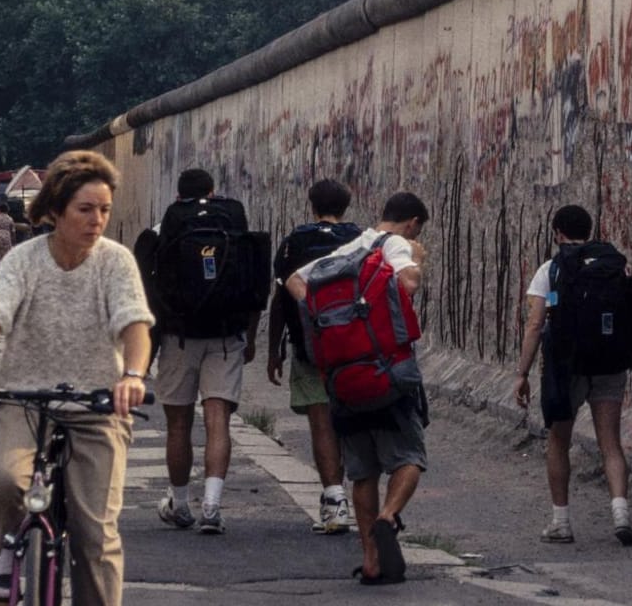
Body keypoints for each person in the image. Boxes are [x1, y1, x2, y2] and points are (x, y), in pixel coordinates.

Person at [0, 149, 153, 606]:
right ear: (55, 210)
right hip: (25, 399)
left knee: (95, 536)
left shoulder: (116, 262)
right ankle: (9, 548)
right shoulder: (23, 261)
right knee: (3, 480)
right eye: (85, 209)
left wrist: (133, 376)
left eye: (104, 210)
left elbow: (135, 325)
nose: (97, 219)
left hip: (98, 405)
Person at [285, 191, 430, 586]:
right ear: (413, 222)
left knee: (363, 474)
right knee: (409, 458)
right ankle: (388, 517)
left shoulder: (350, 248)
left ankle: (371, 560)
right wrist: (416, 257)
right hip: (387, 373)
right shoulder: (397, 244)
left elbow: (295, 281)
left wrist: (332, 323)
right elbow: (410, 283)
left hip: (343, 379)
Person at [513, 204, 632, 546]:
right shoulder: (613, 264)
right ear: (589, 229)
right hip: (610, 362)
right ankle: (621, 514)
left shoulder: (550, 269)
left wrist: (522, 373)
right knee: (610, 442)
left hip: (566, 366)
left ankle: (561, 522)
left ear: (557, 233)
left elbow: (535, 324)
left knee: (558, 441)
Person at [147, 168, 259, 535]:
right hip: (226, 334)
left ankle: (180, 504)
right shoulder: (231, 217)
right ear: (212, 192)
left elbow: (150, 285)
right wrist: (252, 336)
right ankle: (212, 506)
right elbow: (252, 282)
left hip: (179, 336)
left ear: (178, 196)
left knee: (179, 424)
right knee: (217, 420)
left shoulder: (170, 223)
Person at [266, 178, 361, 535]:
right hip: (355, 347)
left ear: (311, 205)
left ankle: (335, 499)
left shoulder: (296, 241)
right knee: (351, 422)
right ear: (346, 206)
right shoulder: (362, 240)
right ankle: (360, 496)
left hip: (311, 347)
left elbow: (281, 300)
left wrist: (275, 349)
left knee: (321, 421)